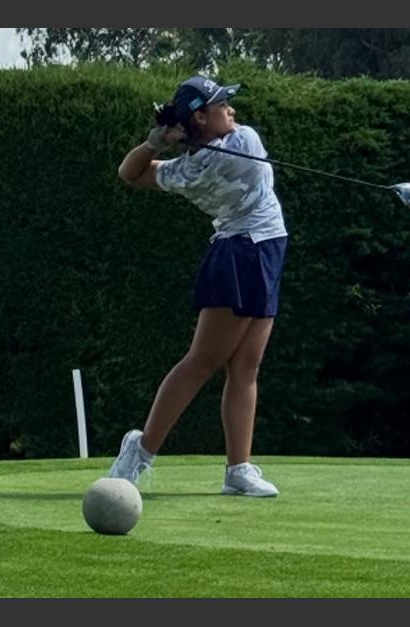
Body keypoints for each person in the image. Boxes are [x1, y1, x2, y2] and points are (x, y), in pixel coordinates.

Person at [108, 75, 288, 497]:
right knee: (202, 361)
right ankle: (141, 449)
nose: (233, 110)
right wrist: (174, 138)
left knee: (246, 365)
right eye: (222, 104)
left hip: (265, 248)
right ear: (202, 116)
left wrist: (157, 142)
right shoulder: (244, 143)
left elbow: (130, 173)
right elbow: (140, 172)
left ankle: (238, 469)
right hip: (242, 254)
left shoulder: (185, 170)